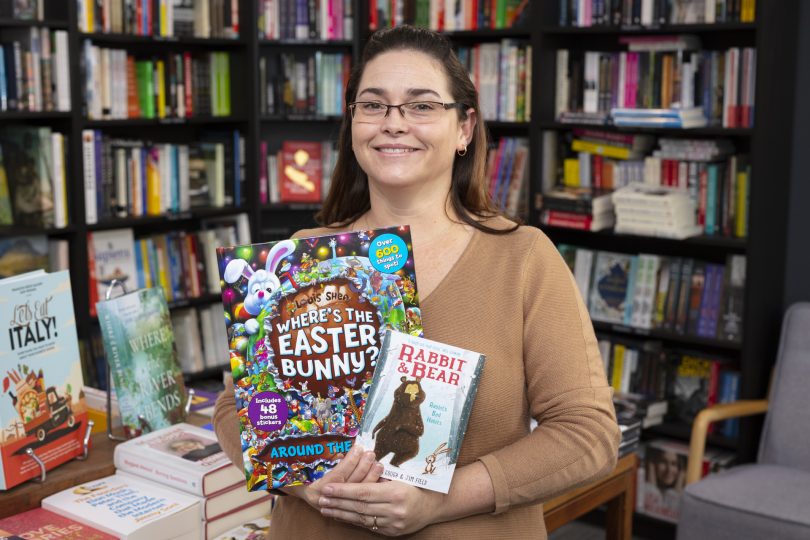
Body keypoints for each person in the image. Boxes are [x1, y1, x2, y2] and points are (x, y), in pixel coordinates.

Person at [214, 25, 620, 539]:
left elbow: (589, 436)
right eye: (373, 105)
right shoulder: (299, 259)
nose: (393, 124)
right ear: (353, 124)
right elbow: (234, 407)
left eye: (422, 106)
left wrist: (439, 499)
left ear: (465, 128)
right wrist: (301, 481)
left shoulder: (522, 258)